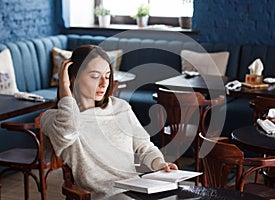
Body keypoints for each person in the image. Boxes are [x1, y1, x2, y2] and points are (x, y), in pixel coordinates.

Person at [40, 45, 178, 198]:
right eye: (94, 76)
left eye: (107, 76)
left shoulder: (120, 107)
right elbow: (69, 130)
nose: (103, 84)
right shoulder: (53, 118)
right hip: (105, 195)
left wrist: (160, 164)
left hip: (136, 188)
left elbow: (144, 146)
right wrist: (65, 88)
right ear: (73, 77)